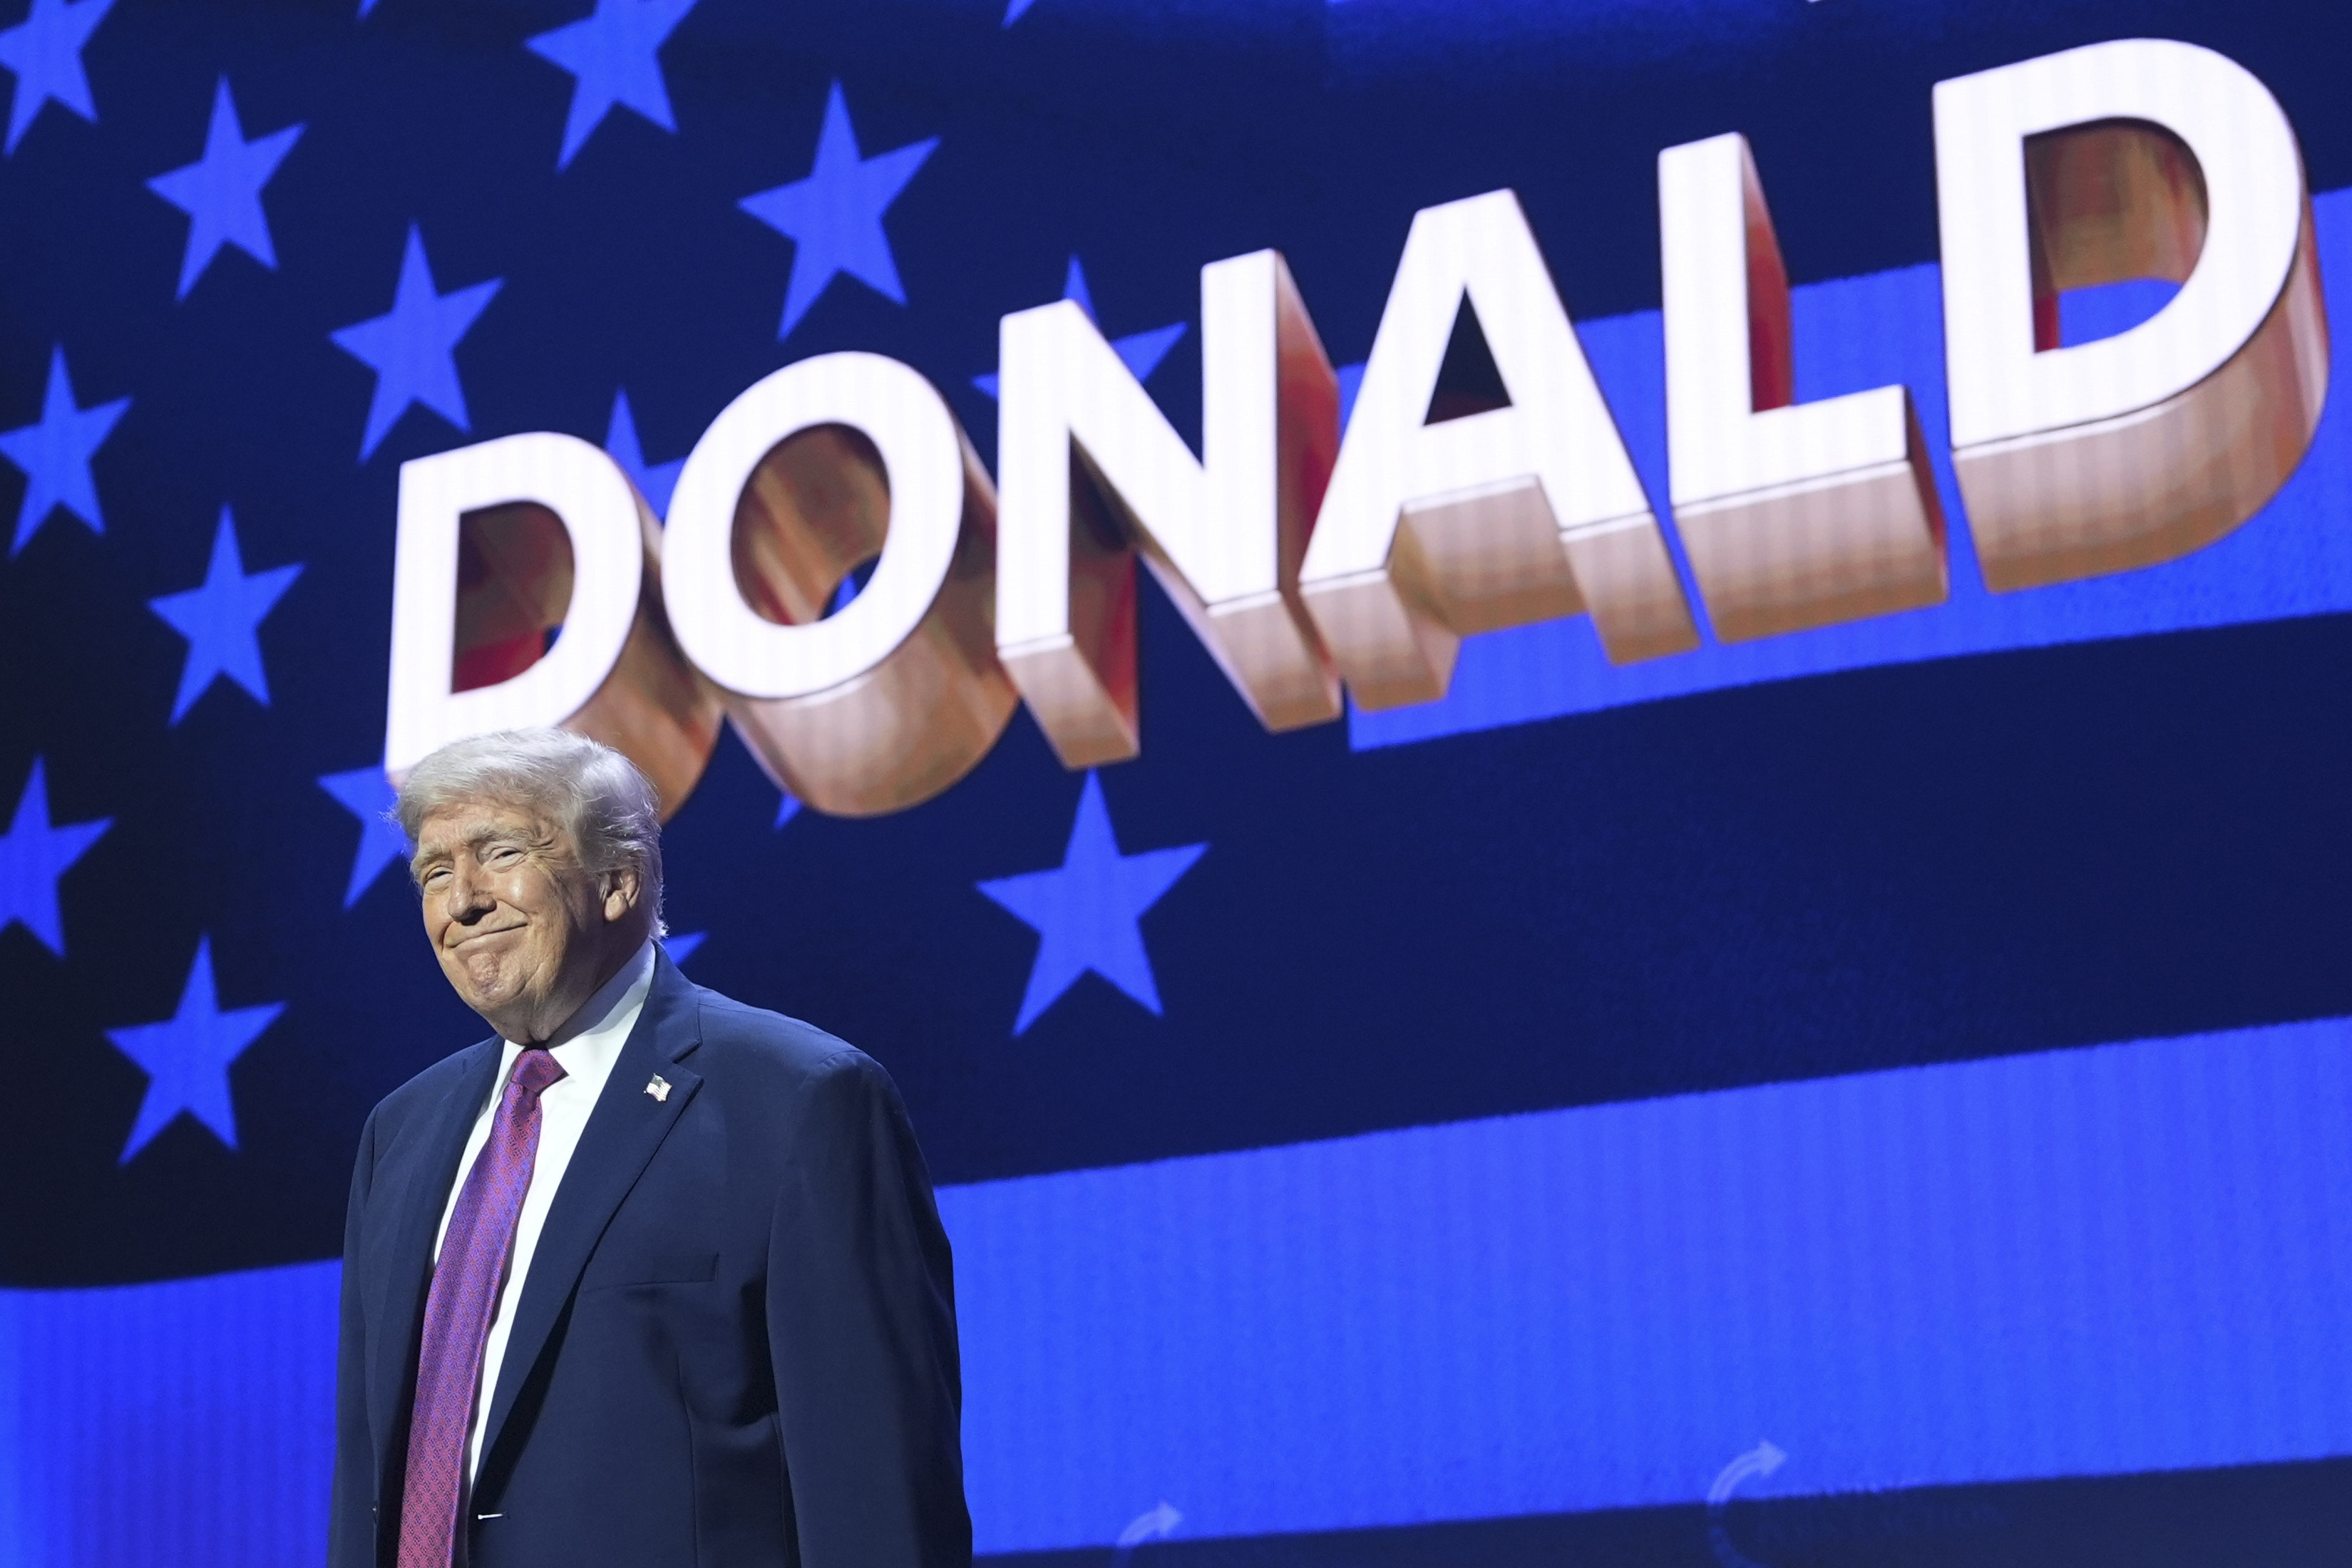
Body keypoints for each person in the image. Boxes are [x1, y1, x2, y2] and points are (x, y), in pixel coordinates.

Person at [329, 728, 967, 1568]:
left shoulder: (796, 1099)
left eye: (500, 852)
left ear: (618, 880)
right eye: (434, 873)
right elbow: (368, 1466)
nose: (462, 901)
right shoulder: (400, 1132)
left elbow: (876, 1488)